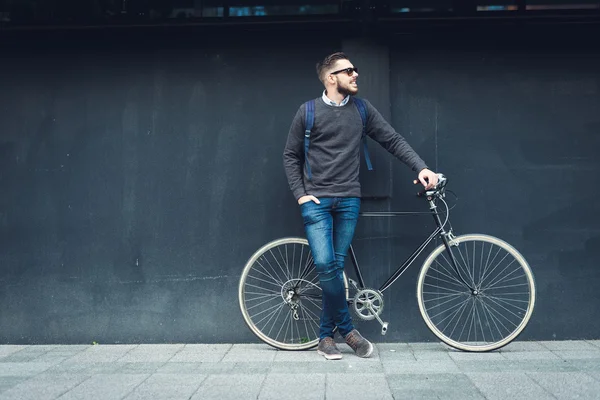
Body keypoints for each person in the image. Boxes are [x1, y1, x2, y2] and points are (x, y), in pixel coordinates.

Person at [282, 52, 438, 360]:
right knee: (326, 265)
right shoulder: (308, 112)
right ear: (331, 78)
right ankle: (349, 331)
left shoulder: (362, 110)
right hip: (316, 200)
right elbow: (290, 156)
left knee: (335, 269)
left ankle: (325, 338)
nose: (355, 74)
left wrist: (420, 166)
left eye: (356, 69)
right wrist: (300, 194)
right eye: (348, 71)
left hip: (349, 200)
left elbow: (392, 140)